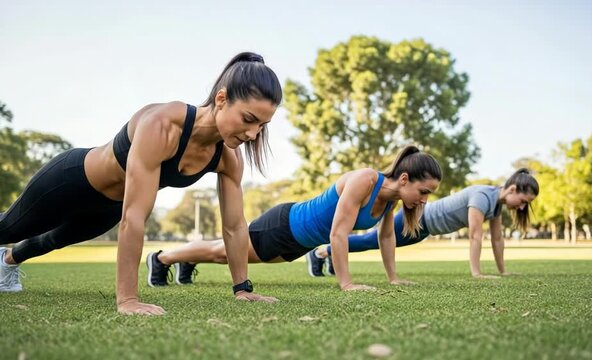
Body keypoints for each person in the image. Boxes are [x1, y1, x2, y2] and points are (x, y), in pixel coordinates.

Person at [0, 52, 281, 315]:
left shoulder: (228, 158)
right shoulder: (164, 124)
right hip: (71, 182)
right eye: (248, 119)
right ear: (221, 99)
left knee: (53, 240)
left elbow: (233, 226)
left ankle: (7, 262)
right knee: (10, 227)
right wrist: (128, 299)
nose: (254, 134)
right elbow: (135, 215)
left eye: (262, 126)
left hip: (110, 206)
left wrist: (242, 289)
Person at [146, 145, 442, 291]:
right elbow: (338, 233)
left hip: (298, 242)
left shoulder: (389, 200)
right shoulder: (365, 180)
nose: (425, 199)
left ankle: (186, 258)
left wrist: (393, 279)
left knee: (226, 253)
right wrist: (346, 283)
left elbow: (386, 237)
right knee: (224, 253)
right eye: (424, 190)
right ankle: (162, 259)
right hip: (285, 225)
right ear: (404, 178)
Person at [306, 169, 539, 280]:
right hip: (419, 218)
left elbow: (497, 239)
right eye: (522, 201)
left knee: (372, 242)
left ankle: (326, 253)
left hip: (424, 230)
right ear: (511, 189)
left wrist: (502, 271)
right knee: (372, 240)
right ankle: (321, 252)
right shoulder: (482, 196)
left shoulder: (495, 205)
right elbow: (476, 235)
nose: (521, 208)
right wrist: (477, 273)